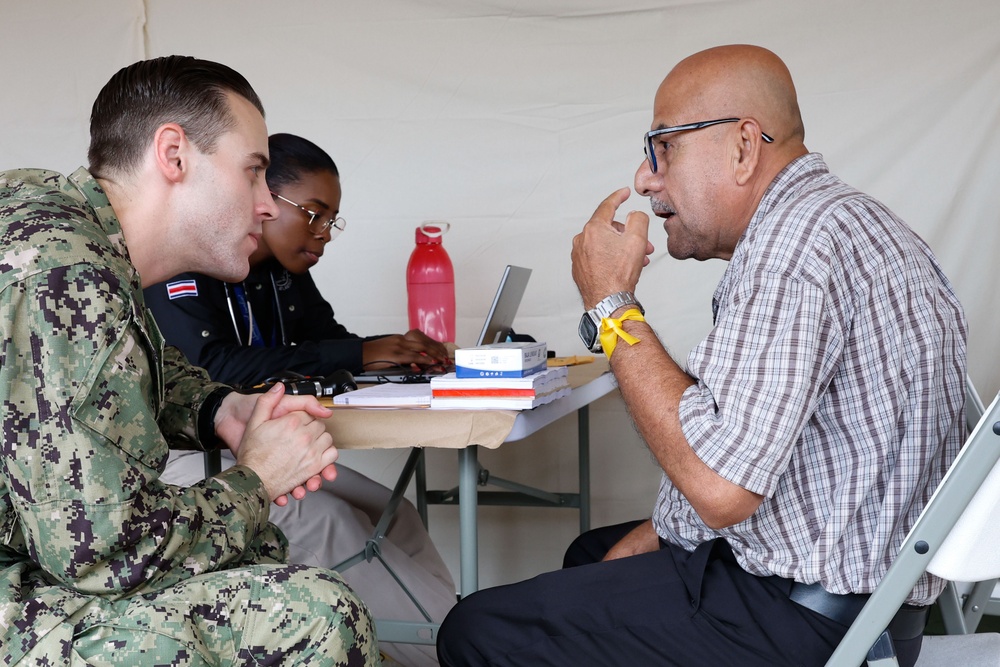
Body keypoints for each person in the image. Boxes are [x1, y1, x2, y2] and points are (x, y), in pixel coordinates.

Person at [436, 44, 967, 667]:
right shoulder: (847, 222)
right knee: (591, 555)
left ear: (744, 148)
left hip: (815, 623)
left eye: (665, 145)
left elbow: (721, 487)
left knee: (474, 631)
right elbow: (743, 432)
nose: (645, 177)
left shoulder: (793, 251)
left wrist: (611, 305)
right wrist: (668, 528)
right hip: (870, 596)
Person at [0, 56, 377, 665]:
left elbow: (114, 366)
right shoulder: (68, 278)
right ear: (173, 155)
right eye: (253, 173)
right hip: (16, 595)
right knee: (313, 613)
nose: (264, 204)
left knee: (258, 556)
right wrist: (256, 481)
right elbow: (102, 551)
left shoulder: (50, 215)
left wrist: (222, 406)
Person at [143, 132, 456, 667]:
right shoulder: (182, 263)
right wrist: (359, 354)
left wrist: (383, 356)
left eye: (331, 220)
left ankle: (449, 637)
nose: (325, 233)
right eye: (312, 214)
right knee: (331, 522)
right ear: (259, 196)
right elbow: (211, 372)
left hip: (256, 450)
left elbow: (329, 341)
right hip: (184, 459)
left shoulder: (278, 272)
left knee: (391, 510)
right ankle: (463, 652)